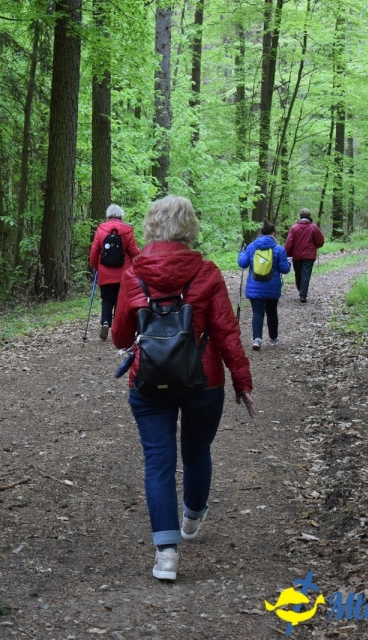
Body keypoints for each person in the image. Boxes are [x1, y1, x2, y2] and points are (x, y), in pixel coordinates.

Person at [111, 195, 258, 582]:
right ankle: (193, 516)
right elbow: (226, 332)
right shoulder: (207, 272)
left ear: (151, 225)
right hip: (204, 380)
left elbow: (120, 337)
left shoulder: (132, 274)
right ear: (190, 226)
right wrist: (242, 382)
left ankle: (166, 555)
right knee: (196, 451)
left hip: (148, 380)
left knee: (158, 462)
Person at [237, 220, 292, 351]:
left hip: (254, 287)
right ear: (273, 233)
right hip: (272, 288)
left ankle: (257, 339)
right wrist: (289, 263)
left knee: (257, 313)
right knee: (272, 312)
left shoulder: (251, 247)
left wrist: (241, 252)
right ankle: (273, 338)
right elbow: (284, 269)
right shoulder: (278, 249)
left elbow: (243, 263)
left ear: (261, 233)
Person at [90, 204, 140, 340]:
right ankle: (117, 329)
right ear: (121, 216)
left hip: (105, 273)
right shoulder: (127, 230)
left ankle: (105, 322)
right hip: (124, 273)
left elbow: (94, 251)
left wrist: (96, 266)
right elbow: (134, 252)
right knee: (120, 300)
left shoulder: (101, 229)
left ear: (108, 215)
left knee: (106, 299)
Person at [283, 208, 325, 303]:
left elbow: (289, 242)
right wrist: (316, 246)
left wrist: (286, 254)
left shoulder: (294, 228)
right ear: (309, 217)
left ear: (300, 216)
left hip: (297, 256)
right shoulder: (313, 227)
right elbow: (320, 241)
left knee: (298, 274)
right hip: (309, 256)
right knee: (305, 274)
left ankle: (302, 292)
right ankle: (303, 293)